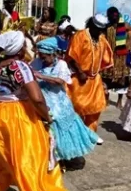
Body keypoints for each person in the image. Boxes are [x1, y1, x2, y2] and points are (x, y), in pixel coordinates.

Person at [0, 31, 68, 191]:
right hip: (17, 118)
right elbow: (37, 98)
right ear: (19, 49)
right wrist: (46, 117)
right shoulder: (20, 67)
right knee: (29, 161)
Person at [31, 37, 98, 169]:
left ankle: (64, 158)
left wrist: (40, 76)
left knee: (62, 128)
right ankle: (50, 159)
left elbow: (60, 81)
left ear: (52, 54)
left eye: (45, 57)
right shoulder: (36, 63)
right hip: (43, 101)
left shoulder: (61, 64)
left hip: (59, 103)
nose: (42, 60)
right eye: (41, 57)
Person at [66, 15, 113, 142]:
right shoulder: (80, 36)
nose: (99, 31)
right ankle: (76, 134)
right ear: (91, 25)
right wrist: (80, 72)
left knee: (95, 108)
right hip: (80, 78)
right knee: (78, 107)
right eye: (97, 28)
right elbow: (72, 57)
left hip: (95, 79)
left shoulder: (101, 39)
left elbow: (105, 58)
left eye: (101, 29)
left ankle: (90, 134)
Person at [103, 7, 131, 110]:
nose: (115, 17)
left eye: (116, 15)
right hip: (109, 57)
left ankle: (119, 101)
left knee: (122, 80)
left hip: (122, 57)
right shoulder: (106, 27)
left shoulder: (126, 26)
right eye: (112, 15)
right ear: (109, 16)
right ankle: (106, 100)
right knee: (106, 79)